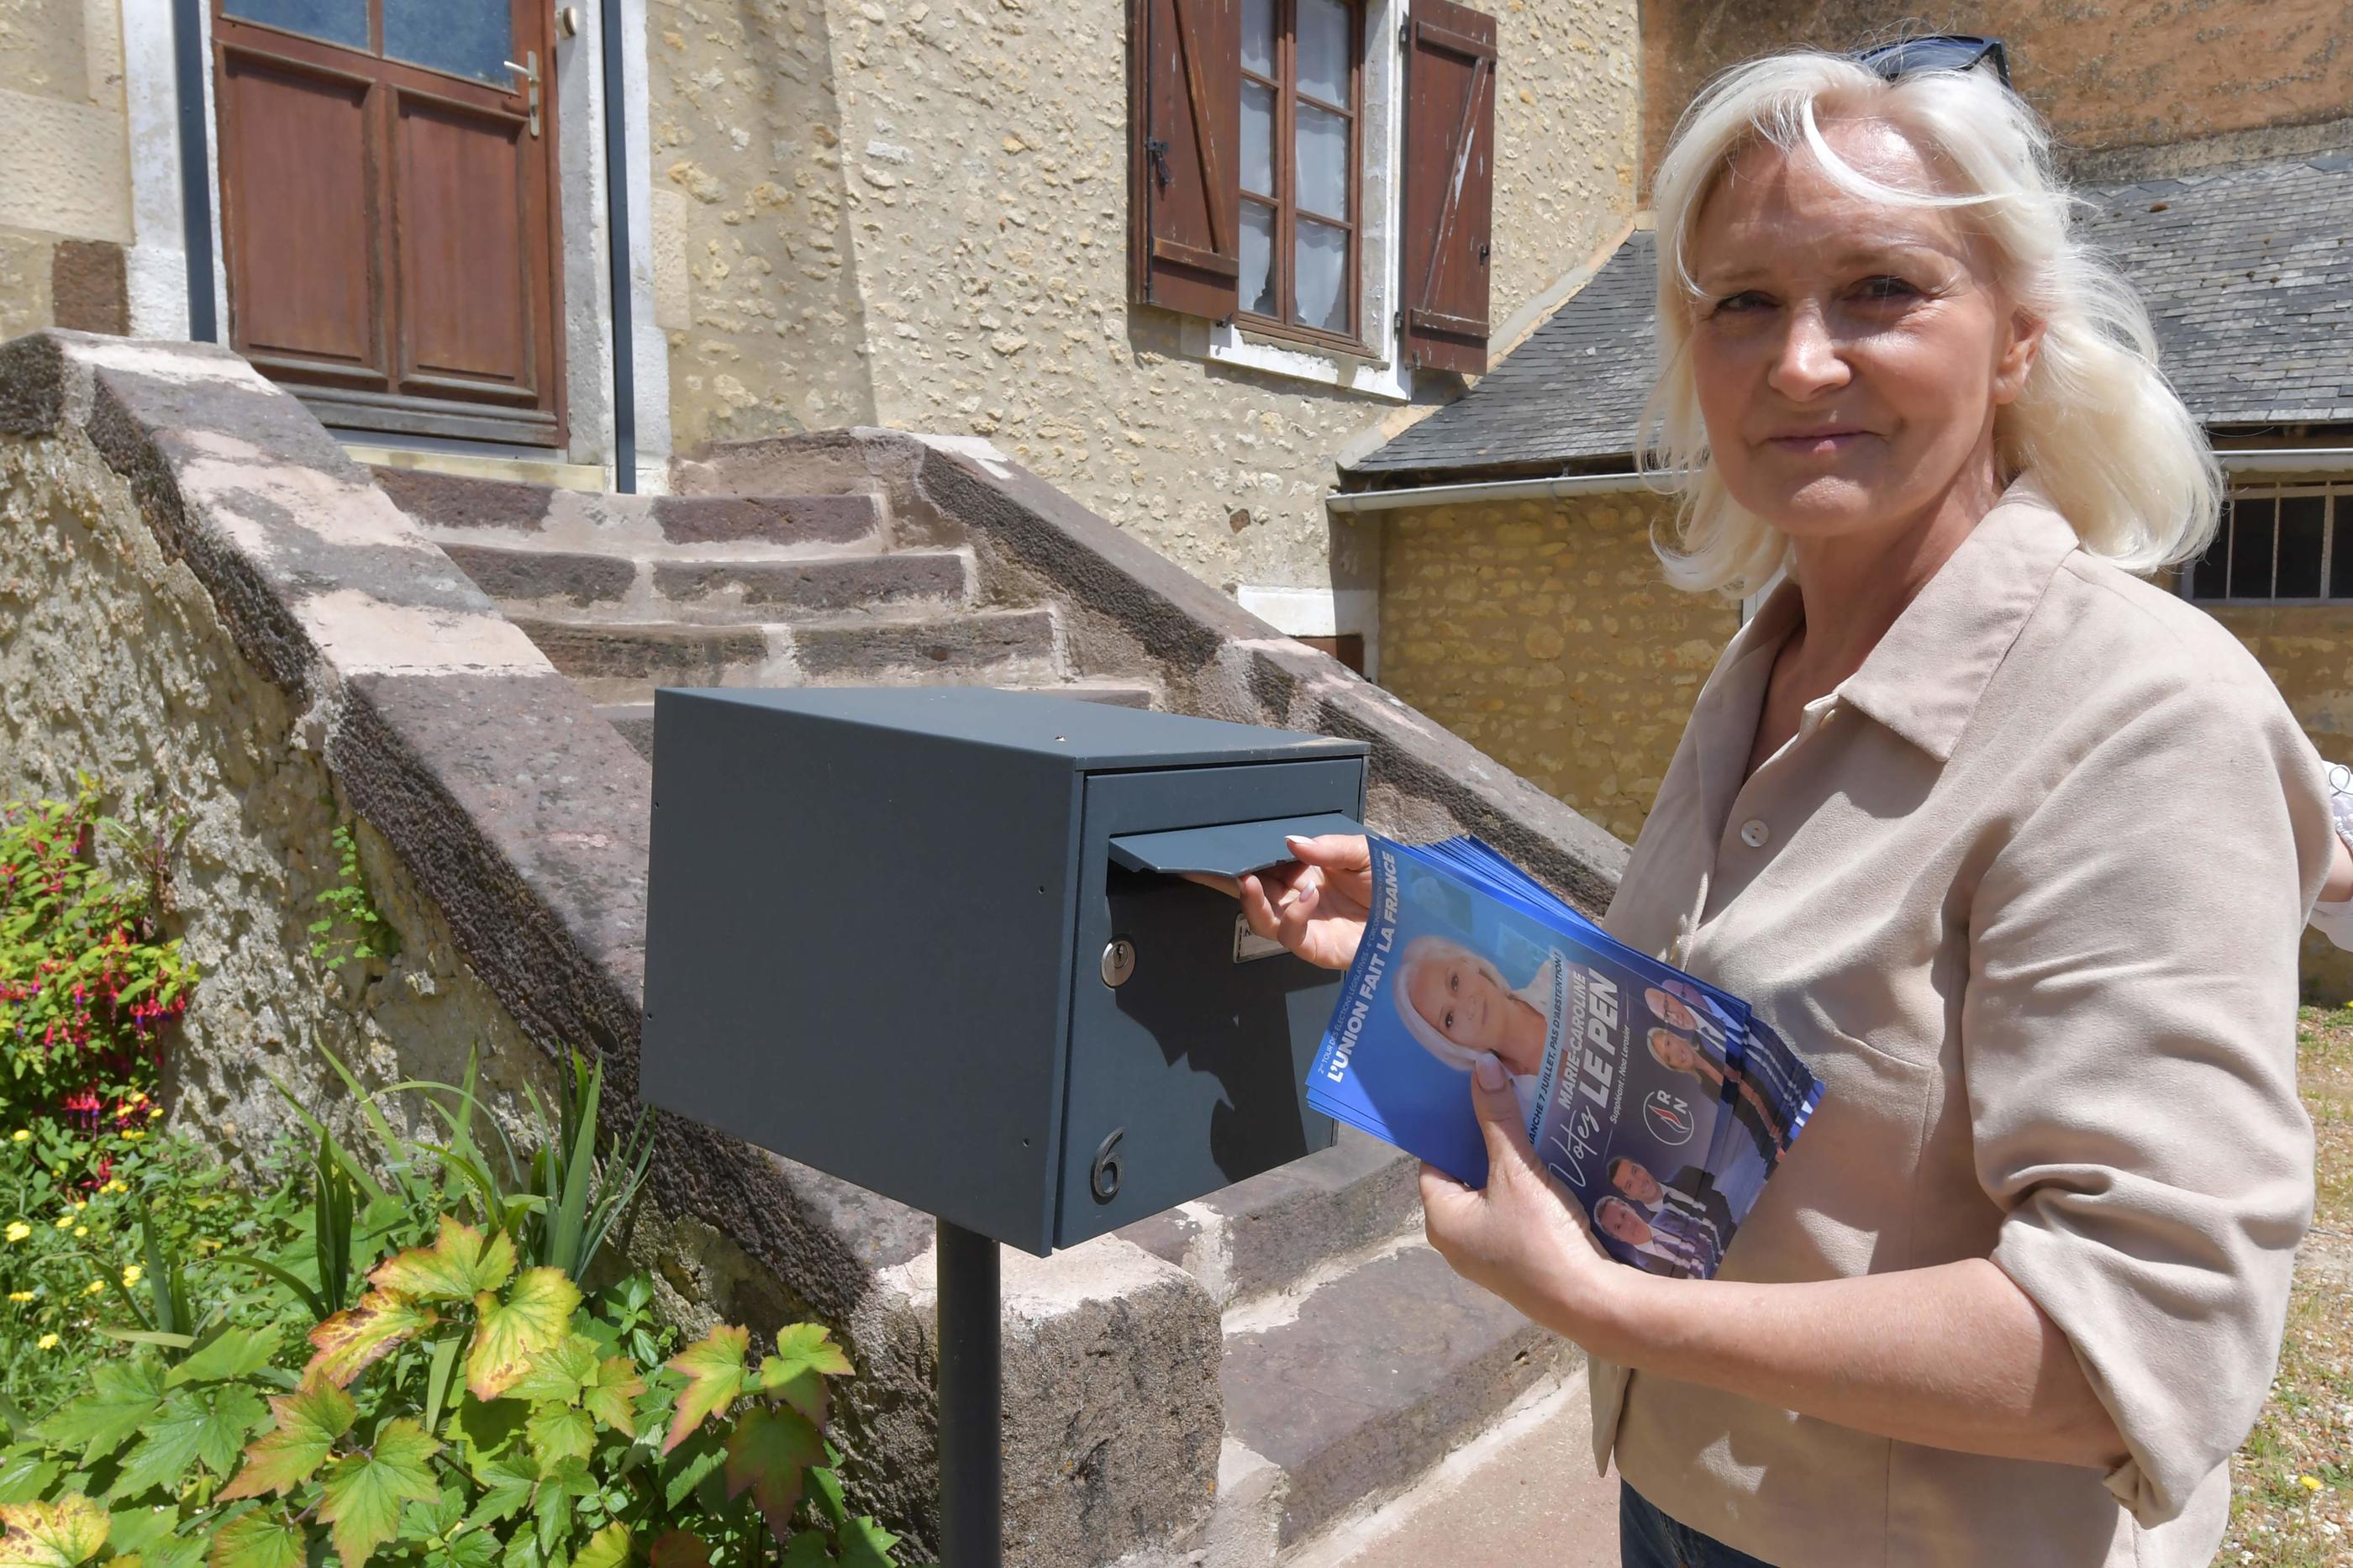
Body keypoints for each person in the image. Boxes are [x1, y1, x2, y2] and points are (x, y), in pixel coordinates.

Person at [1233, 38, 2330, 1568]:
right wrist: (1410, 931)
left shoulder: (2144, 716)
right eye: (1742, 302)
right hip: (1684, 1495)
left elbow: (2139, 1342)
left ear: (2016, 334)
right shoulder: (1770, 660)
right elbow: (1706, 1055)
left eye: (1883, 287)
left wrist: (1611, 1309)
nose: (1802, 360)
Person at [1392, 934, 1557, 1117]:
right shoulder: (1517, 1112)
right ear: (1451, 1044)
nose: (1467, 1007)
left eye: (1455, 982)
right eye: (1449, 1018)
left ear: (1469, 963)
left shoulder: (1558, 979)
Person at [1607, 1156, 1726, 1272]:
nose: (1640, 1181)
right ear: (1630, 1197)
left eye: (1635, 1171)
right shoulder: (1661, 1235)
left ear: (1642, 1167)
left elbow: (1726, 1190)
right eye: (1630, 1185)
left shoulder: (1688, 1173)